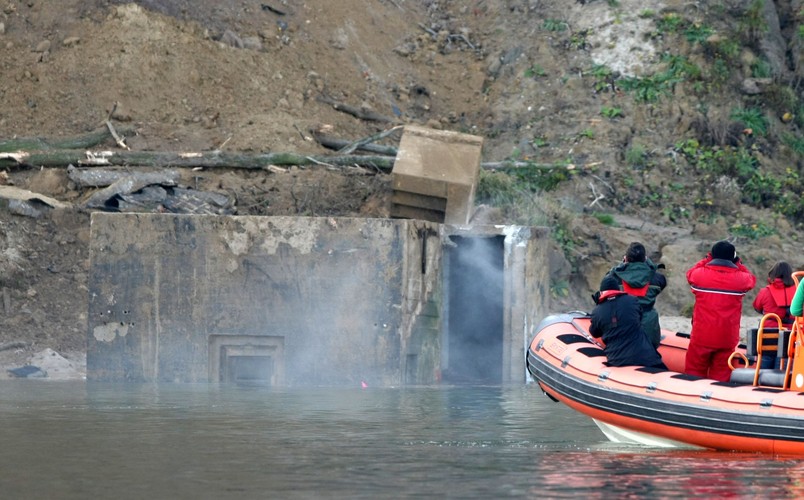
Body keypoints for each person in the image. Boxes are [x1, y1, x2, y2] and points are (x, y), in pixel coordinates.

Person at [685, 240, 756, 382]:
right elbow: (751, 280)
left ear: (713, 256)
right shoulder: (740, 279)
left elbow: (690, 273)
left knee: (693, 373)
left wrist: (707, 259)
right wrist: (738, 263)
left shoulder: (700, 275)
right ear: (733, 257)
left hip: (701, 335)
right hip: (727, 337)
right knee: (721, 377)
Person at [589, 276, 667, 369]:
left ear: (601, 292)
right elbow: (639, 318)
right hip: (647, 357)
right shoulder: (632, 301)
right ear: (618, 289)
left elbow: (594, 332)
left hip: (618, 361)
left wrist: (599, 305)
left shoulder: (597, 311)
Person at [605, 242, 667, 348]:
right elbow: (661, 282)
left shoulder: (614, 278)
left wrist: (621, 266)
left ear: (626, 259)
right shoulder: (657, 279)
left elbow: (606, 282)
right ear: (645, 259)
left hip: (622, 330)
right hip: (649, 333)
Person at [752, 261, 796, 369]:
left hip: (768, 334)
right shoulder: (798, 292)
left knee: (763, 365)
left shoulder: (765, 291)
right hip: (790, 335)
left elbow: (757, 307)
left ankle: (759, 383)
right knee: (783, 367)